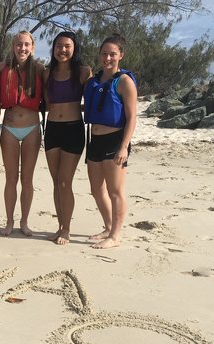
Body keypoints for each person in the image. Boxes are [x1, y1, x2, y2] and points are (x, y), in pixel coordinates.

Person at [83, 33, 137, 249]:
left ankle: (115, 235)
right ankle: (108, 226)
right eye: (104, 54)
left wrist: (123, 147)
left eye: (112, 54)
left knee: (115, 191)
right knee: (96, 189)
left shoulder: (124, 82)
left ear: (120, 55)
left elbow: (132, 117)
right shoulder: (93, 81)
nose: (107, 58)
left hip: (115, 140)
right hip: (94, 140)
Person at [42, 31, 92, 245]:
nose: (62, 50)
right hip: (52, 128)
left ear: (74, 48)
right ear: (53, 49)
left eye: (67, 46)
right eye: (59, 46)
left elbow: (91, 100)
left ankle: (67, 229)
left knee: (64, 181)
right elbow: (47, 103)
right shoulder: (47, 73)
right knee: (56, 182)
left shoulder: (83, 72)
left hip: (73, 129)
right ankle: (60, 225)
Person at [0, 31, 45, 237]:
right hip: (9, 128)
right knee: (11, 178)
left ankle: (24, 222)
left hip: (32, 129)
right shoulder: (1, 68)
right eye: (18, 44)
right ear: (13, 47)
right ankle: (9, 221)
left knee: (27, 178)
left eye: (26, 44)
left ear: (32, 47)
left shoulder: (40, 69)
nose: (22, 48)